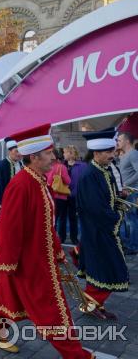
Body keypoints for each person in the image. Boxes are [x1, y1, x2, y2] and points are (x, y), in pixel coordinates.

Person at [0, 123, 93, 358]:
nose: (54, 158)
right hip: (29, 263)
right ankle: (75, 354)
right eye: (49, 153)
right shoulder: (22, 184)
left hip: (37, 258)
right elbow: (9, 228)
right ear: (33, 157)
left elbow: (44, 224)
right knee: (52, 310)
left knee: (7, 298)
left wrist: (57, 250)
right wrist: (7, 265)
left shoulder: (38, 179)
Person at [76, 128, 129, 320]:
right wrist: (117, 217)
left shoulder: (102, 171)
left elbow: (108, 199)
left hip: (102, 230)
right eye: (108, 151)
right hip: (98, 231)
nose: (112, 154)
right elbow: (96, 209)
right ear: (96, 153)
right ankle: (91, 304)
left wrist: (120, 202)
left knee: (102, 270)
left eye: (112, 150)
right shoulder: (90, 175)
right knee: (106, 269)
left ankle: (95, 304)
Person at [117, 131, 138, 254]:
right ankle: (129, 244)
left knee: (132, 220)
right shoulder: (125, 155)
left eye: (119, 140)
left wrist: (125, 184)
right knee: (128, 220)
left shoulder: (133, 154)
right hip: (126, 192)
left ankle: (133, 246)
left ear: (127, 141)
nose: (118, 142)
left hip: (132, 192)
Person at [46, 148, 72, 244]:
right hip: (61, 196)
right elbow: (68, 181)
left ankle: (50, 237)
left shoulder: (46, 167)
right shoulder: (62, 167)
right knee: (62, 218)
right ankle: (61, 238)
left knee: (52, 218)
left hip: (50, 196)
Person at [64, 145, 87, 246]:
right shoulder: (62, 165)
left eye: (65, 152)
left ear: (71, 154)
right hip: (63, 195)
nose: (64, 154)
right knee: (62, 217)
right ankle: (61, 237)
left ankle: (74, 238)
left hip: (75, 195)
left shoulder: (82, 166)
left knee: (74, 218)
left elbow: (85, 181)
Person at [0, 137, 22, 207]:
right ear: (9, 151)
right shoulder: (1, 166)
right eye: (16, 151)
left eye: (20, 151)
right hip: (8, 202)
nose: (19, 154)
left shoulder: (21, 164)